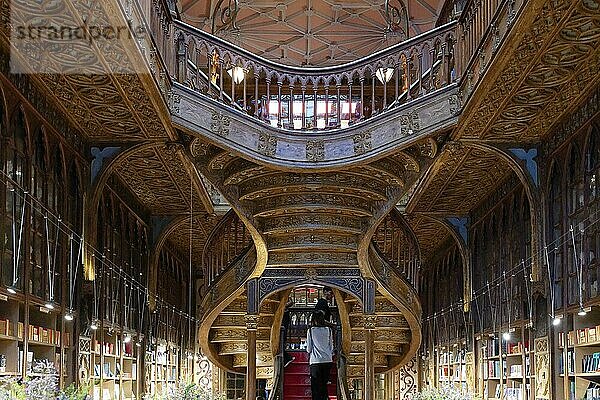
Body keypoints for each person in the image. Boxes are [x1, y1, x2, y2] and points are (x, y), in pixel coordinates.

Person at [306, 310, 333, 400]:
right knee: (323, 385)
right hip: (327, 360)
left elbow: (309, 349)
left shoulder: (311, 331)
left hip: (315, 361)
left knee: (316, 387)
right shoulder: (329, 330)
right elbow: (331, 347)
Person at [282, 297, 295, 367]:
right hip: (284, 317)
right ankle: (287, 358)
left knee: (282, 339)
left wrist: (283, 305)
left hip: (284, 317)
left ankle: (287, 358)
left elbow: (291, 302)